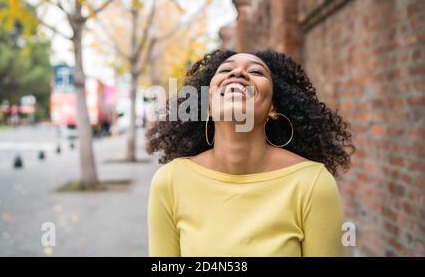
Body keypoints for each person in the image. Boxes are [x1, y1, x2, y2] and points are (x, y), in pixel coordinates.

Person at [146, 49, 355, 257]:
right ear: (208, 105)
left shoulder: (312, 183)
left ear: (273, 108)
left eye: (256, 72)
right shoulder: (170, 181)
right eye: (226, 69)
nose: (237, 73)